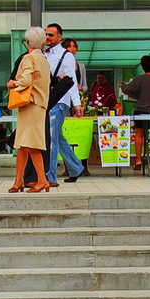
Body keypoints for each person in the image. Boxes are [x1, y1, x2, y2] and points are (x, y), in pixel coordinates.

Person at [8, 26, 52, 193]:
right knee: (23, 144)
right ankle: (18, 181)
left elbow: (26, 80)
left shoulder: (28, 58)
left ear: (27, 42)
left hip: (30, 104)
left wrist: (13, 84)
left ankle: (42, 180)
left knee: (31, 144)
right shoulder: (44, 59)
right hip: (39, 104)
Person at [43, 22, 85, 185]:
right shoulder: (44, 54)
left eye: (51, 35)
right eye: (46, 34)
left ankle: (50, 176)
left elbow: (71, 81)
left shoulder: (66, 55)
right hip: (48, 99)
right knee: (58, 137)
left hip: (60, 101)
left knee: (52, 138)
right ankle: (76, 167)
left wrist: (77, 103)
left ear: (59, 37)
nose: (47, 37)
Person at [121, 55, 150, 170]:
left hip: (142, 110)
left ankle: (138, 161)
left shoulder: (140, 79)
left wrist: (122, 85)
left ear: (142, 66)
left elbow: (127, 90)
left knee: (139, 135)